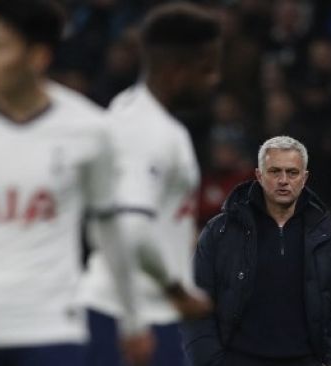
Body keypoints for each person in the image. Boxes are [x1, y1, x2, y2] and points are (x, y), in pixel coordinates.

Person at [0, 0, 150, 365]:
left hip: (51, 325)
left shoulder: (89, 129)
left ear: (37, 56)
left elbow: (108, 228)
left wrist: (133, 318)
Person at [80, 3, 221, 366]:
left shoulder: (125, 107)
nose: (215, 80)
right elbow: (133, 227)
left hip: (123, 314)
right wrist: (178, 291)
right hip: (137, 321)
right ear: (177, 71)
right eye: (207, 70)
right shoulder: (152, 132)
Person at [183, 136, 331, 366]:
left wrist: (330, 361)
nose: (283, 180)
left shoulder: (327, 235)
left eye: (292, 173)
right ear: (259, 175)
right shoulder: (221, 231)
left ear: (305, 178)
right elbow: (195, 306)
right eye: (275, 171)